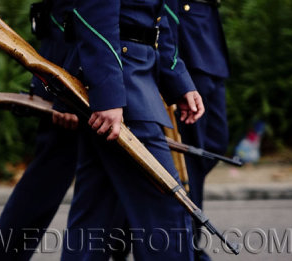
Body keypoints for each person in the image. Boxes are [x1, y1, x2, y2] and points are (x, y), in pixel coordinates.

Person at [58, 0, 205, 259]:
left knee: (95, 218)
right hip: (123, 87)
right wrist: (109, 94)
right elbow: (96, 13)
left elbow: (158, 16)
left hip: (132, 78)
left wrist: (176, 78)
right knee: (166, 212)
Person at [0, 1, 80, 260]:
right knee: (43, 186)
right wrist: (66, 92)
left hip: (83, 75)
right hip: (73, 78)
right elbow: (82, 16)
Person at [165, 0, 230, 260]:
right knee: (190, 154)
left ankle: (131, 221)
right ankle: (187, 244)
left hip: (207, 29)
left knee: (214, 144)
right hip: (186, 33)